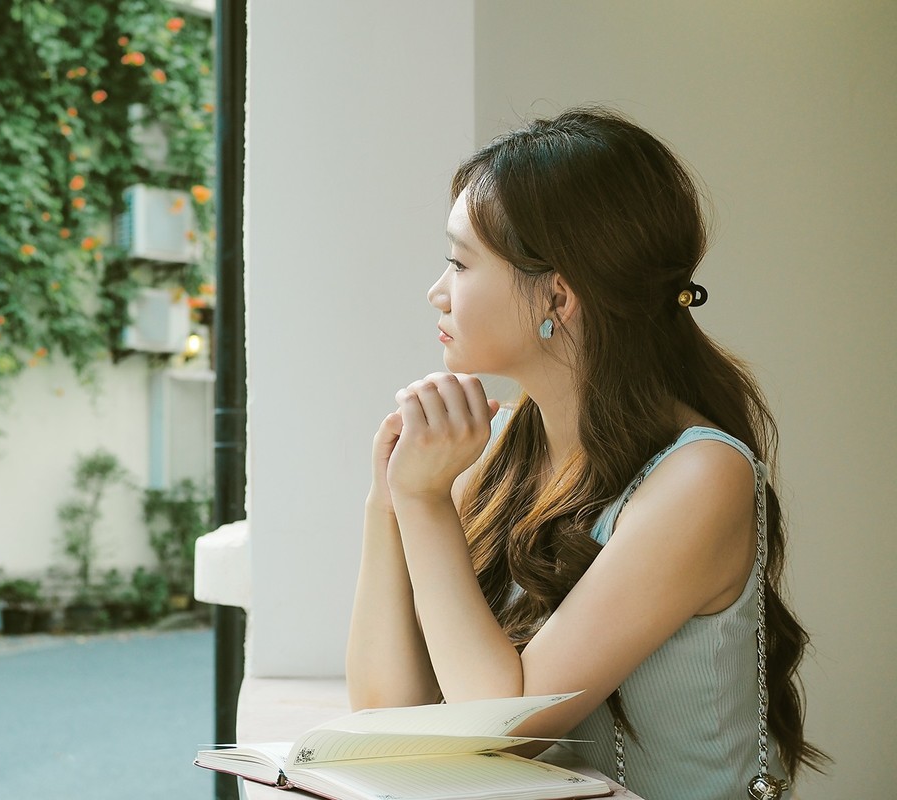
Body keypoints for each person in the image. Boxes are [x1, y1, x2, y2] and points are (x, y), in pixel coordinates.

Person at [345, 107, 826, 799]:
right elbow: (390, 722)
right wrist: (387, 499)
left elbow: (505, 727)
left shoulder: (700, 477)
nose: (437, 291)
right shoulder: (499, 446)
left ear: (558, 295)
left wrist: (422, 503)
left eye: (459, 261)